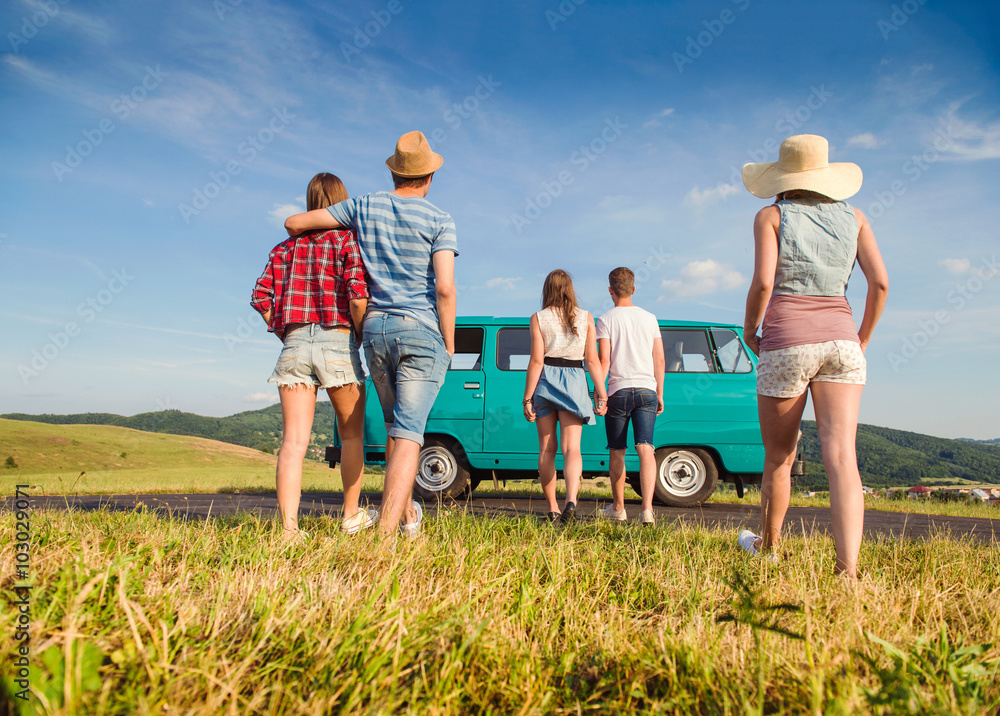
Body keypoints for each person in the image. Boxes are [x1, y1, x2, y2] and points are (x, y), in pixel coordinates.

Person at [284, 131, 457, 538]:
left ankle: (409, 515)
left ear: (395, 172)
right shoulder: (440, 219)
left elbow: (295, 223)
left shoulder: (364, 205)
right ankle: (385, 532)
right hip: (420, 331)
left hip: (376, 330)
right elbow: (446, 289)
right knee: (410, 431)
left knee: (399, 425)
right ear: (429, 176)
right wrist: (448, 344)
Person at [738, 134, 888, 578]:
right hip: (842, 342)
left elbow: (764, 284)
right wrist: (860, 338)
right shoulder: (855, 217)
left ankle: (768, 549)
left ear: (783, 178)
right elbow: (879, 284)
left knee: (779, 456)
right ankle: (848, 572)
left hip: (787, 341)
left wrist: (750, 330)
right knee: (842, 457)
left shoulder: (771, 216)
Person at [251, 172, 376, 541]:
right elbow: (357, 297)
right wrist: (357, 334)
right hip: (338, 339)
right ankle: (351, 516)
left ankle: (289, 528)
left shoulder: (283, 248)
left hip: (294, 343)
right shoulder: (347, 241)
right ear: (341, 201)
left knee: (293, 442)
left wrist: (284, 330)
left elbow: (261, 297)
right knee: (351, 437)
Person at [523, 270, 608, 523]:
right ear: (570, 289)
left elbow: (537, 360)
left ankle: (552, 508)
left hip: (546, 380)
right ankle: (571, 500)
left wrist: (527, 399)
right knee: (572, 449)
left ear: (547, 289)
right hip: (574, 380)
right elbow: (592, 360)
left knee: (547, 450)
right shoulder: (586, 318)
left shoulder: (538, 318)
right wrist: (601, 394)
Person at [596, 267, 665, 525]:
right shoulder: (650, 318)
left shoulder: (605, 319)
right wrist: (660, 391)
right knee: (646, 448)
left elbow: (604, 361)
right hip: (647, 389)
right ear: (634, 289)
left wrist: (600, 393)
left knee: (618, 451)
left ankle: (618, 508)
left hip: (618, 390)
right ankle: (647, 510)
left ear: (610, 291)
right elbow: (659, 358)